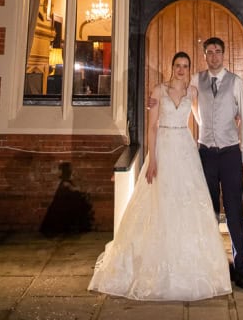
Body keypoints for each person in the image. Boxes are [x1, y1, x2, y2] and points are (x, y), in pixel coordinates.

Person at [88, 51, 231, 300]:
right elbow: (152, 128)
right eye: (178, 65)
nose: (181, 69)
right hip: (164, 145)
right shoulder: (158, 92)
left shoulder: (193, 93)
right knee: (160, 200)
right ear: (171, 66)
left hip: (185, 147)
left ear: (188, 70)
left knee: (186, 202)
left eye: (185, 66)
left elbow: (200, 119)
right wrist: (152, 159)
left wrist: (227, 124)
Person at [196, 36, 243, 291]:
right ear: (204, 55)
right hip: (206, 154)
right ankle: (211, 268)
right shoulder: (195, 80)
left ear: (223, 55)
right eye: (209, 52)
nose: (213, 56)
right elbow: (177, 93)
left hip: (231, 154)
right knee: (208, 212)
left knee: (234, 212)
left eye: (217, 51)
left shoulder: (235, 81)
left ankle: (240, 269)